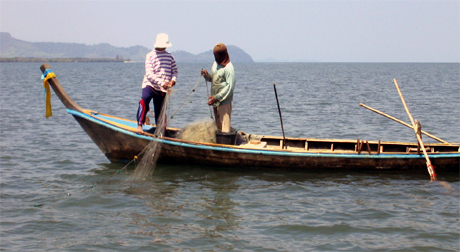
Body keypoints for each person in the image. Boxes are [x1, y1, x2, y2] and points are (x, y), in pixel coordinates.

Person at [136, 33, 178, 134]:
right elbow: (149, 74)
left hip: (163, 89)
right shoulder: (150, 56)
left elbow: (175, 71)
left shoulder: (170, 56)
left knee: (160, 111)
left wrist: (173, 80)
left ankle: (160, 131)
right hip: (150, 85)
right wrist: (161, 83)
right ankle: (139, 125)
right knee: (145, 99)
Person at [201, 43, 235, 133]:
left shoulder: (228, 68)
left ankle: (226, 145)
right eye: (214, 55)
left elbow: (230, 87)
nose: (215, 58)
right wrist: (207, 75)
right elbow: (214, 80)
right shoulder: (215, 65)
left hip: (224, 102)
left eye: (217, 55)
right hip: (215, 101)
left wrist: (217, 97)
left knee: (225, 128)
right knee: (218, 127)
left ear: (223, 55)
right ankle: (219, 143)